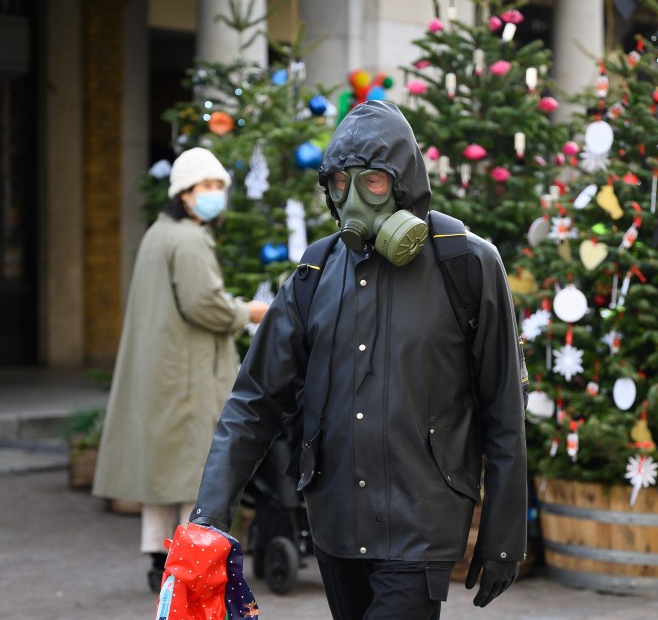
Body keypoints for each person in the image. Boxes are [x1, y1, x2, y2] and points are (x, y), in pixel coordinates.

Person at [184, 101, 528, 620]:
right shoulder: (315, 273)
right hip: (336, 527)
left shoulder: (468, 264)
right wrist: (210, 513)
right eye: (340, 182)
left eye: (371, 181)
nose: (351, 199)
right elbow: (254, 401)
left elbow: (503, 407)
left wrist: (503, 535)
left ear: (404, 180)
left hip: (421, 527)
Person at [92, 147, 268, 591]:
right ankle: (189, 561)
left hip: (162, 365)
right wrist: (247, 311)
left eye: (218, 187)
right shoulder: (188, 239)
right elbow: (203, 305)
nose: (214, 195)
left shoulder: (158, 232)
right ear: (184, 192)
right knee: (195, 465)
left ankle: (158, 556)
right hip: (186, 369)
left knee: (162, 469)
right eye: (206, 186)